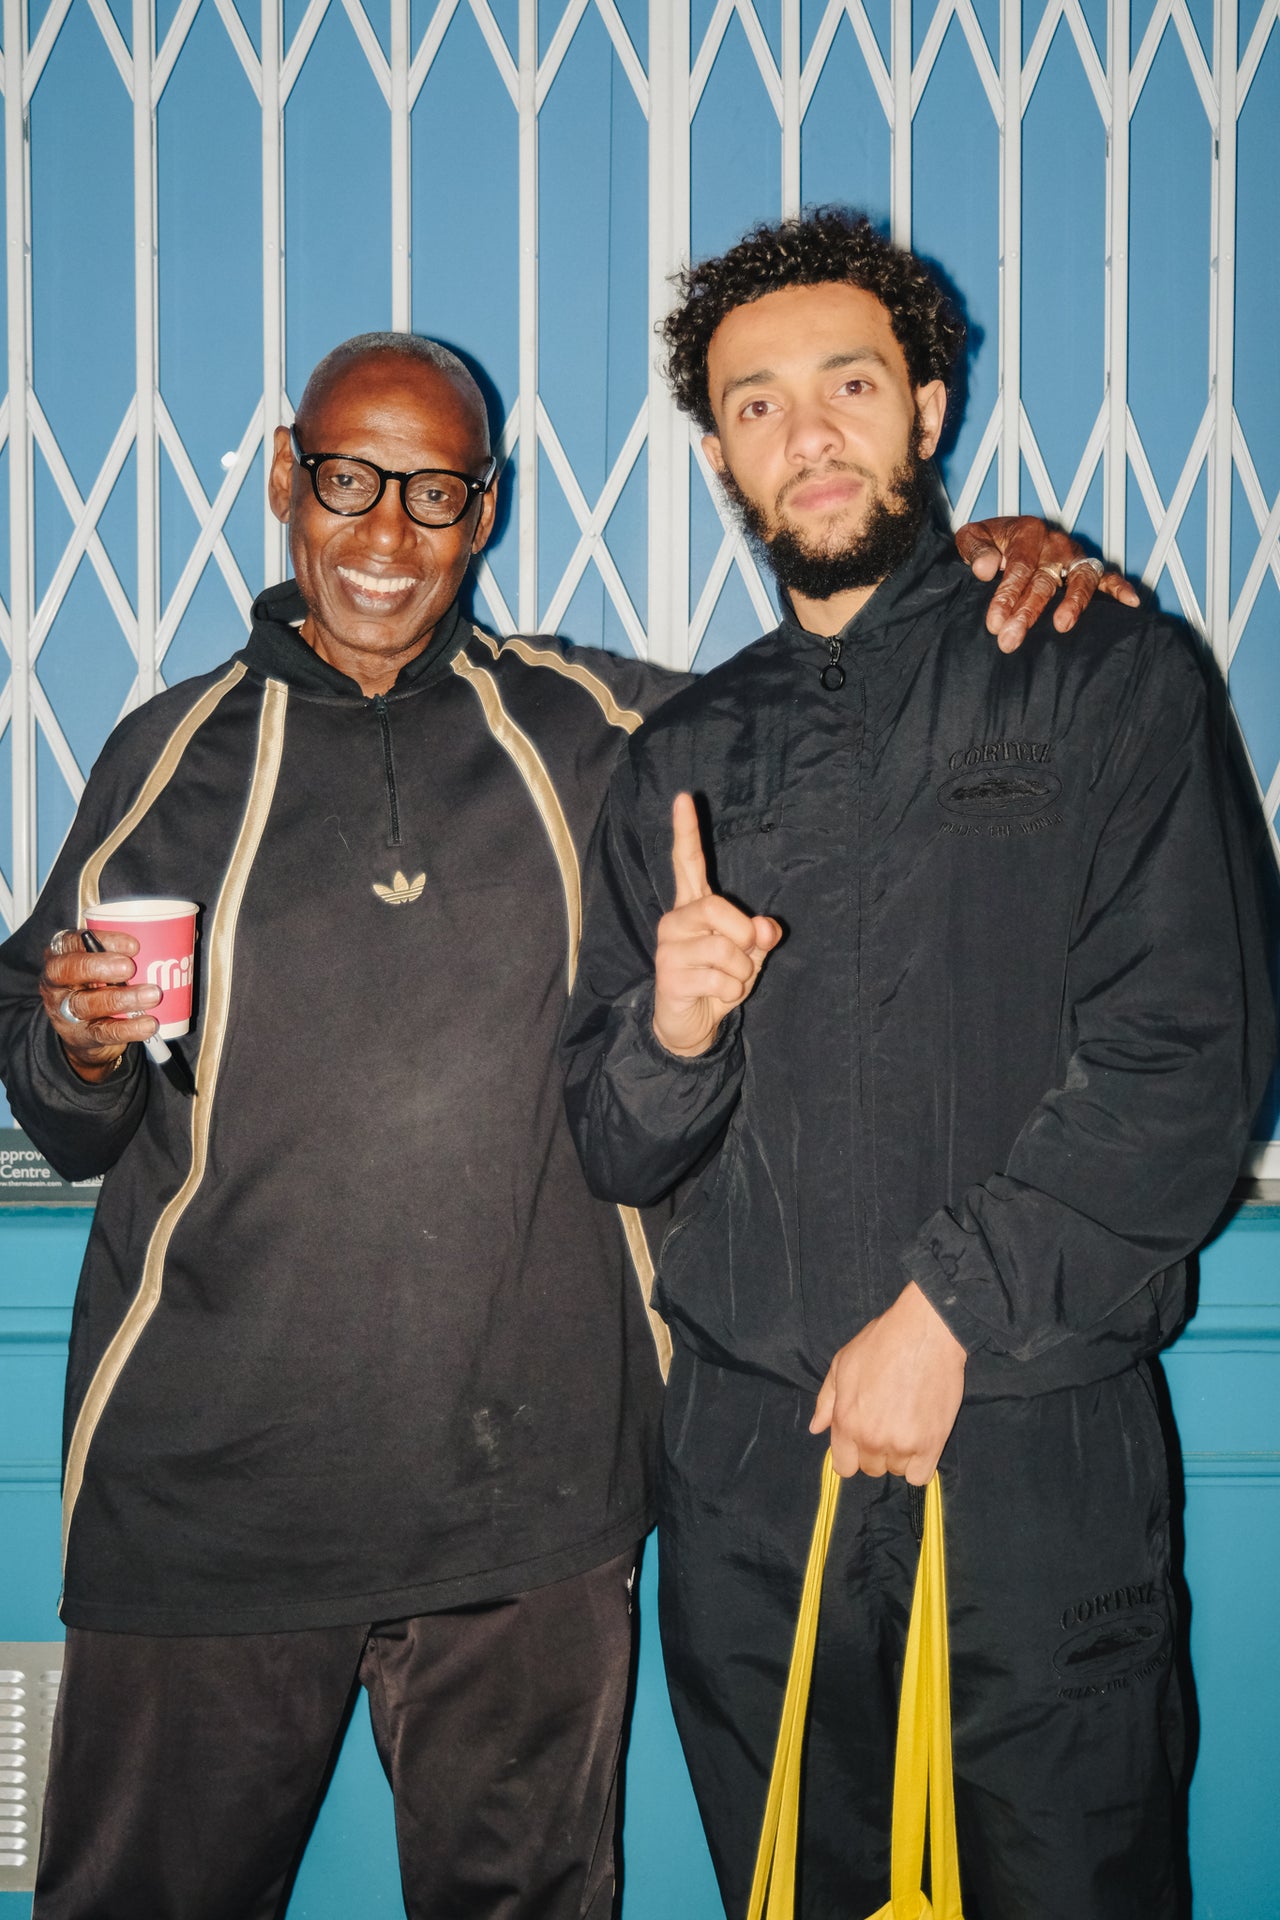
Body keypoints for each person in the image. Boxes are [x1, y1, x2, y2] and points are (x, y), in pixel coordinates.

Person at [0, 327, 1124, 1920]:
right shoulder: (163, 756)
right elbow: (63, 1107)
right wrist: (74, 1041)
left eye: (435, 493)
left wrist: (975, 579)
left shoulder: (597, 728)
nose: (387, 534)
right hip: (204, 1514)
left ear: (487, 510)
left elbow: (836, 716)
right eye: (349, 481)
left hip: (532, 1520)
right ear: (285, 483)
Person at [561, 212, 1275, 1920]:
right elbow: (612, 1141)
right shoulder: (680, 756)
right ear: (718, 451)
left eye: (851, 385)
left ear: (929, 409)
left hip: (1030, 1460)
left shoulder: (1105, 674)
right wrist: (672, 1037)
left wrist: (948, 1310)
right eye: (755, 405)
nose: (805, 435)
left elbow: (1190, 1059)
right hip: (754, 1481)